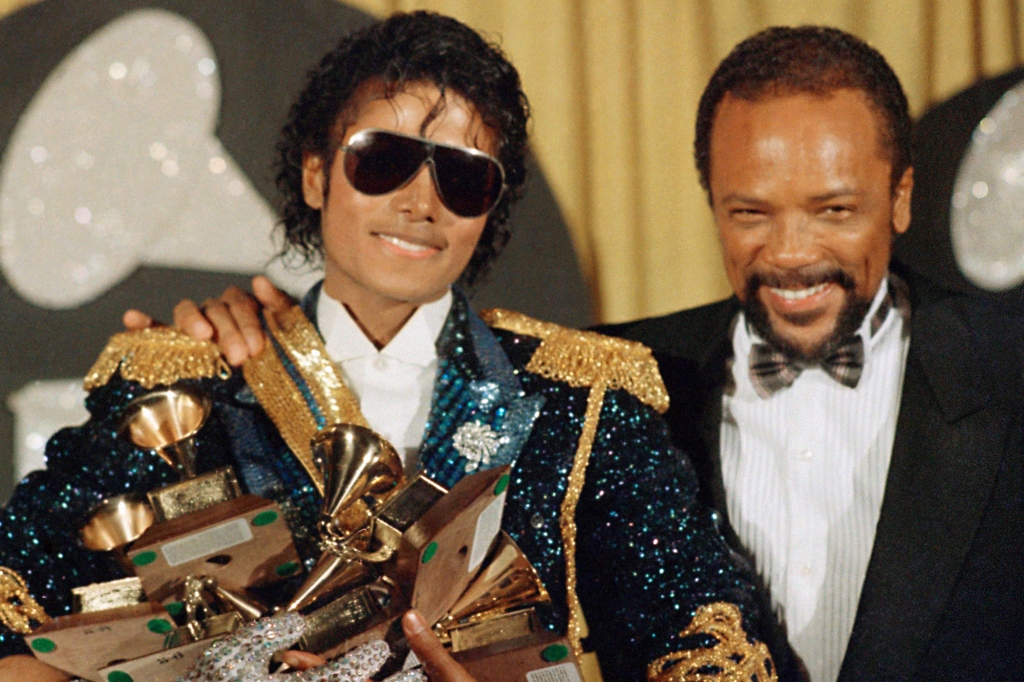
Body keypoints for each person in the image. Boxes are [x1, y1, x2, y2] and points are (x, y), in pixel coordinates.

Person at [0, 12, 775, 682]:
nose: (419, 202)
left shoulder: (587, 402)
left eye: (464, 179)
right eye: (383, 160)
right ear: (315, 175)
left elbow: (708, 644)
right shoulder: (184, 387)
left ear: (487, 214)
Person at [599, 27, 1024, 682]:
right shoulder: (609, 383)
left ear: (901, 199)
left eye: (833, 210)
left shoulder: (1010, 370)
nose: (791, 253)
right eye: (750, 214)